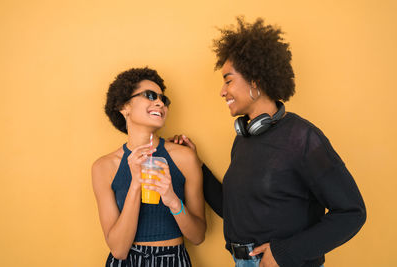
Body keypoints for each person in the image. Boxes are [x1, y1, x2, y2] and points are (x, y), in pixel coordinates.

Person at [169, 17, 366, 267]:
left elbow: (351, 213)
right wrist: (195, 165)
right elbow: (233, 209)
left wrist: (285, 252)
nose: (222, 91)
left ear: (255, 81)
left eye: (228, 80)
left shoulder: (303, 138)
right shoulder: (244, 139)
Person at [92, 67, 206, 267]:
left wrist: (172, 200)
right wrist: (136, 183)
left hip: (174, 260)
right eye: (150, 96)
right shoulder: (104, 167)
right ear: (124, 106)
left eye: (164, 99)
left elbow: (197, 236)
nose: (160, 103)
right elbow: (118, 249)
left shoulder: (185, 158)